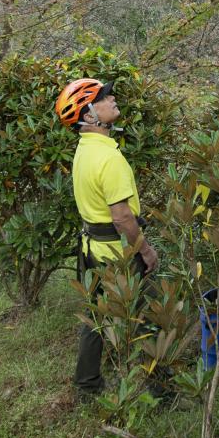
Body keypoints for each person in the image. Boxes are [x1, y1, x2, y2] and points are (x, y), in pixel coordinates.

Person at [57, 77, 160, 397]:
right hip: (118, 252)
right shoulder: (109, 158)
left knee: (95, 316)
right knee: (148, 316)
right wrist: (144, 250)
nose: (113, 98)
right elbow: (122, 217)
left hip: (92, 248)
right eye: (104, 97)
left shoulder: (85, 150)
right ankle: (162, 389)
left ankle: (87, 384)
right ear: (89, 116)